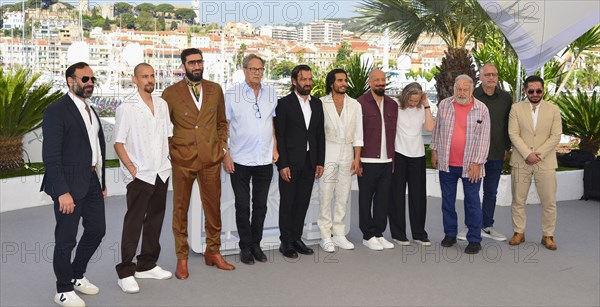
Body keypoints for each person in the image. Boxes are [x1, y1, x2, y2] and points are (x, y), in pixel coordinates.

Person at [162, 48, 235, 278]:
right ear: (183, 65)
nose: (197, 66)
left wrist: (222, 148)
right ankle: (181, 259)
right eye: (192, 63)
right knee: (180, 210)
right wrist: (172, 151)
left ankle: (213, 252)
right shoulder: (170, 93)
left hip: (211, 158)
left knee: (213, 208)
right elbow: (164, 128)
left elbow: (222, 122)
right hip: (182, 159)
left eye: (200, 62)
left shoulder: (215, 89)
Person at [41, 62, 107, 307]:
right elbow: (51, 155)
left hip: (91, 181)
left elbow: (97, 148)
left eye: (92, 78)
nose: (90, 83)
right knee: (66, 238)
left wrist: (101, 182)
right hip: (67, 185)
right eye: (85, 78)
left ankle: (77, 274)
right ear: (71, 81)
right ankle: (62, 289)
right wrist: (62, 192)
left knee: (97, 230)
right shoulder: (56, 111)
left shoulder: (91, 109)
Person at [113, 63, 173, 294]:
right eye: (144, 76)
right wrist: (131, 167)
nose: (150, 80)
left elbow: (167, 135)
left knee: (155, 219)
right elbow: (118, 142)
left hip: (161, 171)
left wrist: (167, 160)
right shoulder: (126, 107)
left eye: (152, 76)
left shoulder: (162, 104)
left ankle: (147, 264)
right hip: (140, 174)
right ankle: (125, 271)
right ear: (134, 79)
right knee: (134, 222)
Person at [223, 54, 278, 265]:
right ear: (244, 70)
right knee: (243, 205)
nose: (257, 73)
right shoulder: (232, 95)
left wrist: (275, 147)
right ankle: (245, 247)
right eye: (253, 69)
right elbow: (224, 127)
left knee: (261, 206)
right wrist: (226, 154)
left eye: (260, 69)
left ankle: (256, 244)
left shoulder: (271, 94)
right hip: (239, 159)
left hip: (264, 159)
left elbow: (273, 125)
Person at [430, 74, 490, 255]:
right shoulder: (444, 105)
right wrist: (434, 150)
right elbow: (437, 129)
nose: (461, 93)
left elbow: (484, 138)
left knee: (472, 203)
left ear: (472, 90)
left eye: (465, 89)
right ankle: (450, 234)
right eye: (458, 89)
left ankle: (474, 239)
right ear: (454, 88)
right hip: (447, 163)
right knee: (447, 202)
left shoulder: (482, 109)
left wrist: (478, 163)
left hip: (471, 165)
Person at [457, 64, 512, 242]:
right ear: (480, 77)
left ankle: (487, 226)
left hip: (495, 153)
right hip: (472, 155)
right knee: (472, 193)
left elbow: (507, 125)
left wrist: (506, 147)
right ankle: (471, 226)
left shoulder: (506, 98)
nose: (491, 78)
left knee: (491, 192)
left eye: (494, 74)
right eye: (487, 74)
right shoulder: (472, 96)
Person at [275, 64, 325, 259]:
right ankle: (285, 242)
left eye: (310, 79)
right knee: (287, 203)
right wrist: (283, 164)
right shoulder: (284, 104)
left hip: (310, 162)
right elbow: (279, 135)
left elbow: (319, 134)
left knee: (302, 202)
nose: (308, 83)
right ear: (294, 81)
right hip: (290, 162)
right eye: (304, 79)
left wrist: (320, 161)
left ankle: (296, 238)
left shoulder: (317, 104)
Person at [508, 75, 562, 250]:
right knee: (518, 199)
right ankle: (519, 232)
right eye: (531, 91)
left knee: (549, 201)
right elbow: (513, 134)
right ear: (525, 91)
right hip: (520, 161)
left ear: (543, 90)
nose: (535, 93)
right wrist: (527, 154)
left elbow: (555, 136)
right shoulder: (516, 109)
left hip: (545, 162)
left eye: (538, 90)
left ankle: (548, 235)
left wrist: (538, 155)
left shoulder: (553, 109)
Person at [317, 69, 363, 253]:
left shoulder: (355, 105)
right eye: (340, 80)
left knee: (344, 194)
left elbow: (359, 133)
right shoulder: (321, 103)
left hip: (348, 152)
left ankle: (339, 234)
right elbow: (317, 133)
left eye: (345, 80)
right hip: (328, 150)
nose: (344, 83)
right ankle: (325, 236)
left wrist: (357, 159)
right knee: (325, 193)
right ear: (331, 83)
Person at [356, 69, 398, 251]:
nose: (380, 83)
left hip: (387, 161)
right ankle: (367, 235)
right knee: (366, 199)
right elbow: (355, 133)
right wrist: (356, 160)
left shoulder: (392, 104)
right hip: (367, 160)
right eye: (377, 80)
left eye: (383, 80)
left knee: (383, 200)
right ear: (370, 82)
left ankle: (379, 233)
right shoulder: (360, 103)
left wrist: (393, 160)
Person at [389, 82, 434, 246]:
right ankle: (398, 233)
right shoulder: (395, 105)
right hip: (399, 153)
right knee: (397, 195)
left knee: (418, 196)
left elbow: (430, 127)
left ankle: (419, 233)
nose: (413, 103)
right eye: (411, 100)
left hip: (418, 155)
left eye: (416, 100)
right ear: (405, 96)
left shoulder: (422, 108)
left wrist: (426, 105)